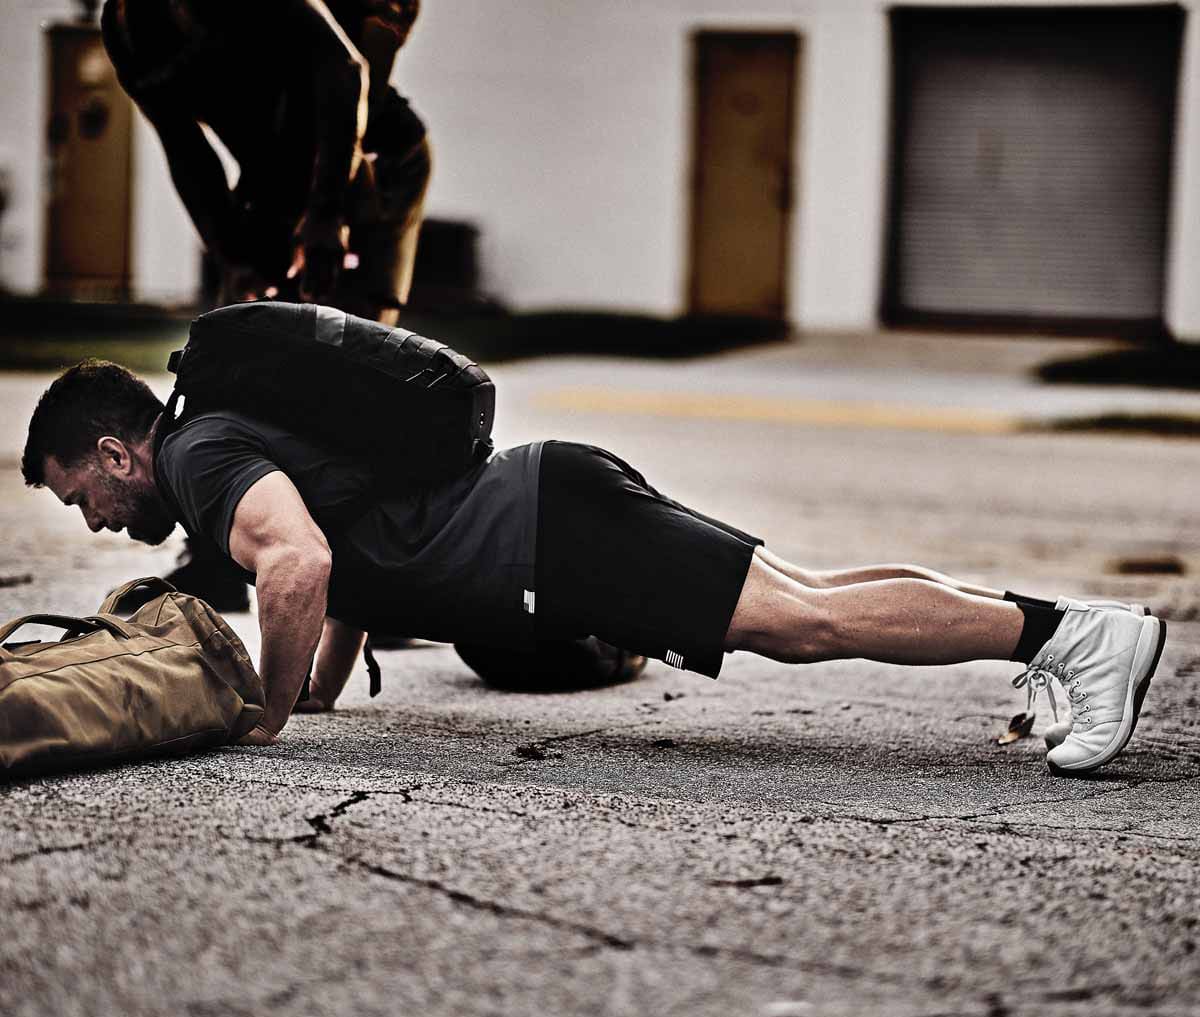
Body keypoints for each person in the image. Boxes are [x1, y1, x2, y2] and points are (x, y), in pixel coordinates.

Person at [21, 359, 1166, 776]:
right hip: (550, 510)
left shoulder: (201, 456)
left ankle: (1071, 637)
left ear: (118, 453)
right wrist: (320, 687)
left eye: (84, 496)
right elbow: (350, 556)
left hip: (548, 534)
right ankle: (1061, 630)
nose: (97, 523)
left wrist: (270, 713)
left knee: (800, 623)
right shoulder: (217, 443)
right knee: (808, 599)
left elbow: (298, 563)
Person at [101, 0, 429, 609]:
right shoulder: (124, 28)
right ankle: (215, 560)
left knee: (357, 367)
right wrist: (231, 252)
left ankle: (389, 574)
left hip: (373, 163)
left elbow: (347, 71)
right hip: (274, 179)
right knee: (223, 357)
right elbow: (186, 148)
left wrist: (326, 216)